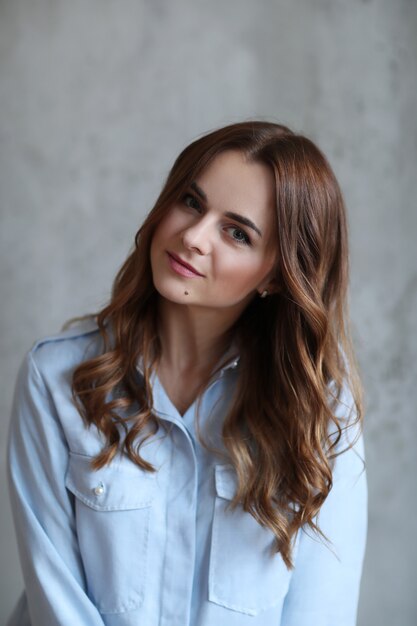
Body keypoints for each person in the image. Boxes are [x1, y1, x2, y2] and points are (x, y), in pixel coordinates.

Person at [7, 120, 367, 626]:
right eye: (192, 203)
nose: (193, 237)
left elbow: (320, 611)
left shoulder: (321, 410)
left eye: (237, 232)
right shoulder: (58, 378)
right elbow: (55, 600)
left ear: (276, 275)